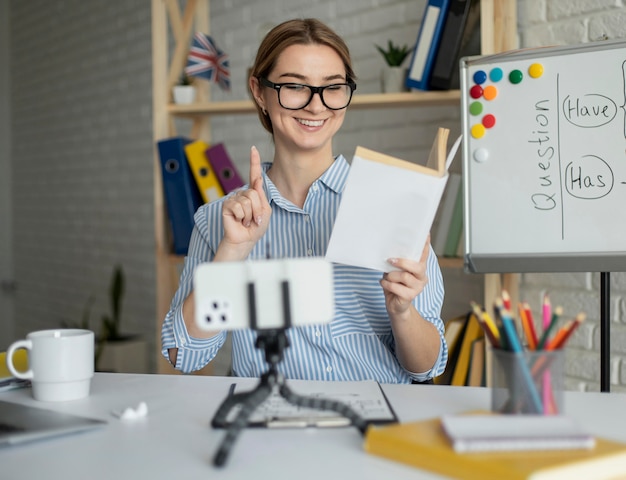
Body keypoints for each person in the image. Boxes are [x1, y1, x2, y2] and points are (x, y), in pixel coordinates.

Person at [161, 18, 448, 384]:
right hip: (267, 422)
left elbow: (426, 367)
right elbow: (182, 356)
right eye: (295, 86)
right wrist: (232, 253)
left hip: (376, 423)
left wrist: (403, 312)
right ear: (259, 91)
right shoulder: (219, 220)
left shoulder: (395, 203)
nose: (316, 106)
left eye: (333, 88)